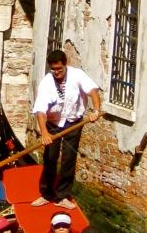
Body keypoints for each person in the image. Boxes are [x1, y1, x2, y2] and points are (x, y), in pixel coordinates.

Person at [32, 48, 102, 202]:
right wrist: (44, 133)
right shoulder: (46, 83)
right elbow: (41, 112)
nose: (57, 72)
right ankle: (46, 193)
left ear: (65, 65)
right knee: (50, 157)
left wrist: (96, 110)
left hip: (73, 122)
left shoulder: (77, 75)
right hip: (52, 123)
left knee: (69, 158)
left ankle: (63, 196)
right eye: (53, 69)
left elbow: (93, 91)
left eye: (59, 69)